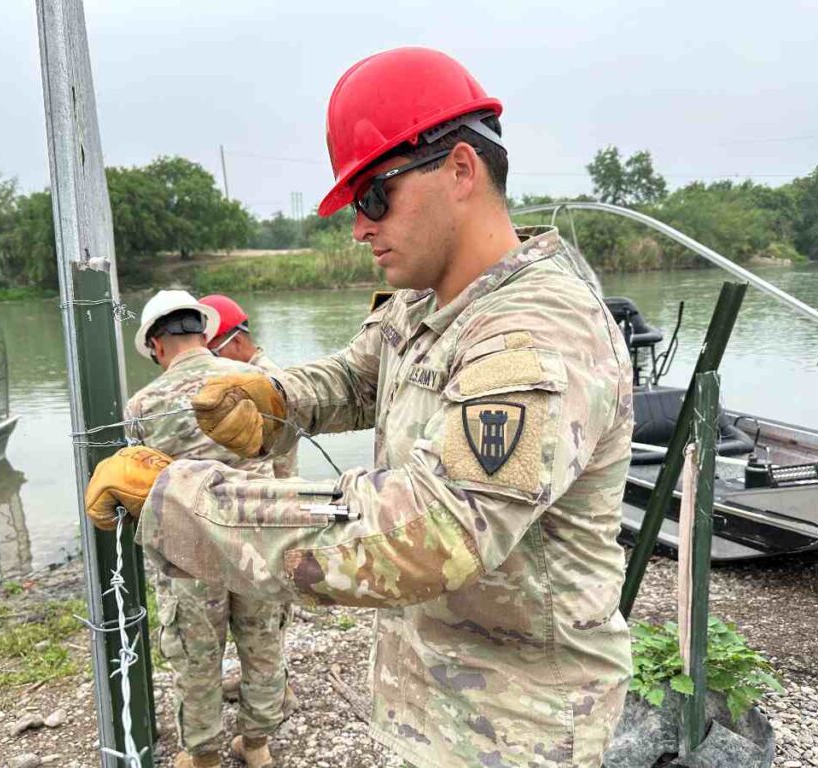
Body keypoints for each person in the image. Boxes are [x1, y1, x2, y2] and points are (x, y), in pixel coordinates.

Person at [87, 47, 633, 768]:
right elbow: (358, 376)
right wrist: (278, 397)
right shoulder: (424, 303)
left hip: (520, 728)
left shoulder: (535, 334)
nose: (359, 228)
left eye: (374, 196)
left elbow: (430, 532)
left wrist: (182, 497)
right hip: (432, 704)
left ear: (461, 171)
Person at [117, 289, 294, 768]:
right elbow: (281, 459)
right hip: (259, 539)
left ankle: (204, 757)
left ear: (156, 346)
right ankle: (257, 747)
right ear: (203, 331)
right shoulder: (253, 380)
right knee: (262, 641)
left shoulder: (142, 405)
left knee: (196, 654)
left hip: (188, 549)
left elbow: (140, 483)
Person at [198, 294, 298, 478]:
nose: (208, 362)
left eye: (213, 353)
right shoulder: (234, 377)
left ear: (236, 341)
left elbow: (279, 457)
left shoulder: (270, 381)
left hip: (278, 488)